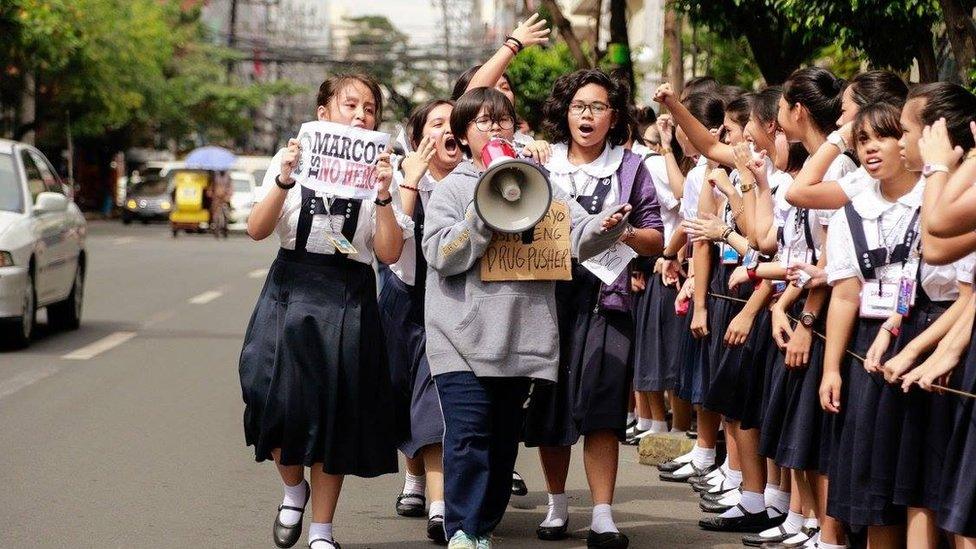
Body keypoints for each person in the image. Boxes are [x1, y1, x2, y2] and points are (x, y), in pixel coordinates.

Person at [422, 86, 640, 549]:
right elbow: (441, 254)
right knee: (467, 435)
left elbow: (575, 232)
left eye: (502, 119)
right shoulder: (452, 188)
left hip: (520, 339)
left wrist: (608, 226)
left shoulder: (536, 179)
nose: (495, 127)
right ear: (462, 135)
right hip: (459, 339)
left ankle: (482, 521)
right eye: (482, 121)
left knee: (501, 442)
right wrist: (482, 215)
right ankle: (463, 530)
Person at [239, 73, 411, 549]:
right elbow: (256, 229)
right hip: (290, 287)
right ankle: (293, 488)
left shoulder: (385, 172)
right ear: (323, 114)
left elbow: (390, 252)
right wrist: (283, 178)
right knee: (266, 395)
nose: (360, 115)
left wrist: (382, 195)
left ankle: (322, 530)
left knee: (333, 411)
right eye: (349, 105)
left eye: (370, 109)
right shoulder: (291, 157)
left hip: (348, 294)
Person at [519, 69, 665, 548]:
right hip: (547, 300)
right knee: (551, 407)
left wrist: (619, 231)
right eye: (579, 105)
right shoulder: (541, 163)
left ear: (613, 117)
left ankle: (603, 514)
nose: (587, 115)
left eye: (598, 107)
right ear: (565, 111)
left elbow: (656, 237)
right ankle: (557, 506)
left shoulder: (631, 167)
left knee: (603, 406)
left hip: (609, 301)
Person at [379, 99, 462, 544]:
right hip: (401, 299)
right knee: (400, 389)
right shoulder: (398, 179)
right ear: (416, 139)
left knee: (434, 399)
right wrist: (410, 179)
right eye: (436, 124)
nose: (447, 131)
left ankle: (438, 504)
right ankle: (411, 476)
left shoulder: (476, 181)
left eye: (454, 124)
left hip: (448, 305)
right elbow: (394, 235)